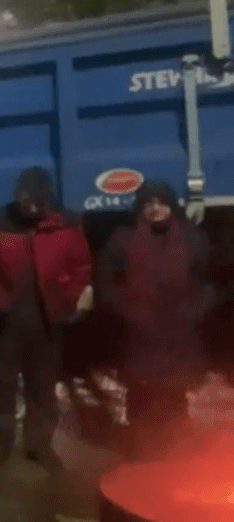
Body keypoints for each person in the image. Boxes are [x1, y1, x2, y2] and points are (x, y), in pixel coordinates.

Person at [0, 166, 93, 468]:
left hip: (47, 324)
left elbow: (81, 267)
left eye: (36, 199)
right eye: (24, 198)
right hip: (2, 323)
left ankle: (39, 445)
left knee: (42, 389)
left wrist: (68, 297)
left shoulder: (67, 223)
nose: (29, 205)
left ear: (47, 197)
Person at [95, 180, 214, 460]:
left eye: (161, 202)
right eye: (148, 203)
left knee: (174, 393)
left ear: (171, 205)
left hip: (178, 331)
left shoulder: (192, 237)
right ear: (139, 207)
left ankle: (174, 449)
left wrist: (195, 309)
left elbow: (209, 280)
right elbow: (105, 283)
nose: (155, 209)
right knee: (140, 393)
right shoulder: (122, 239)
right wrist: (127, 310)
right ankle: (141, 450)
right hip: (140, 332)